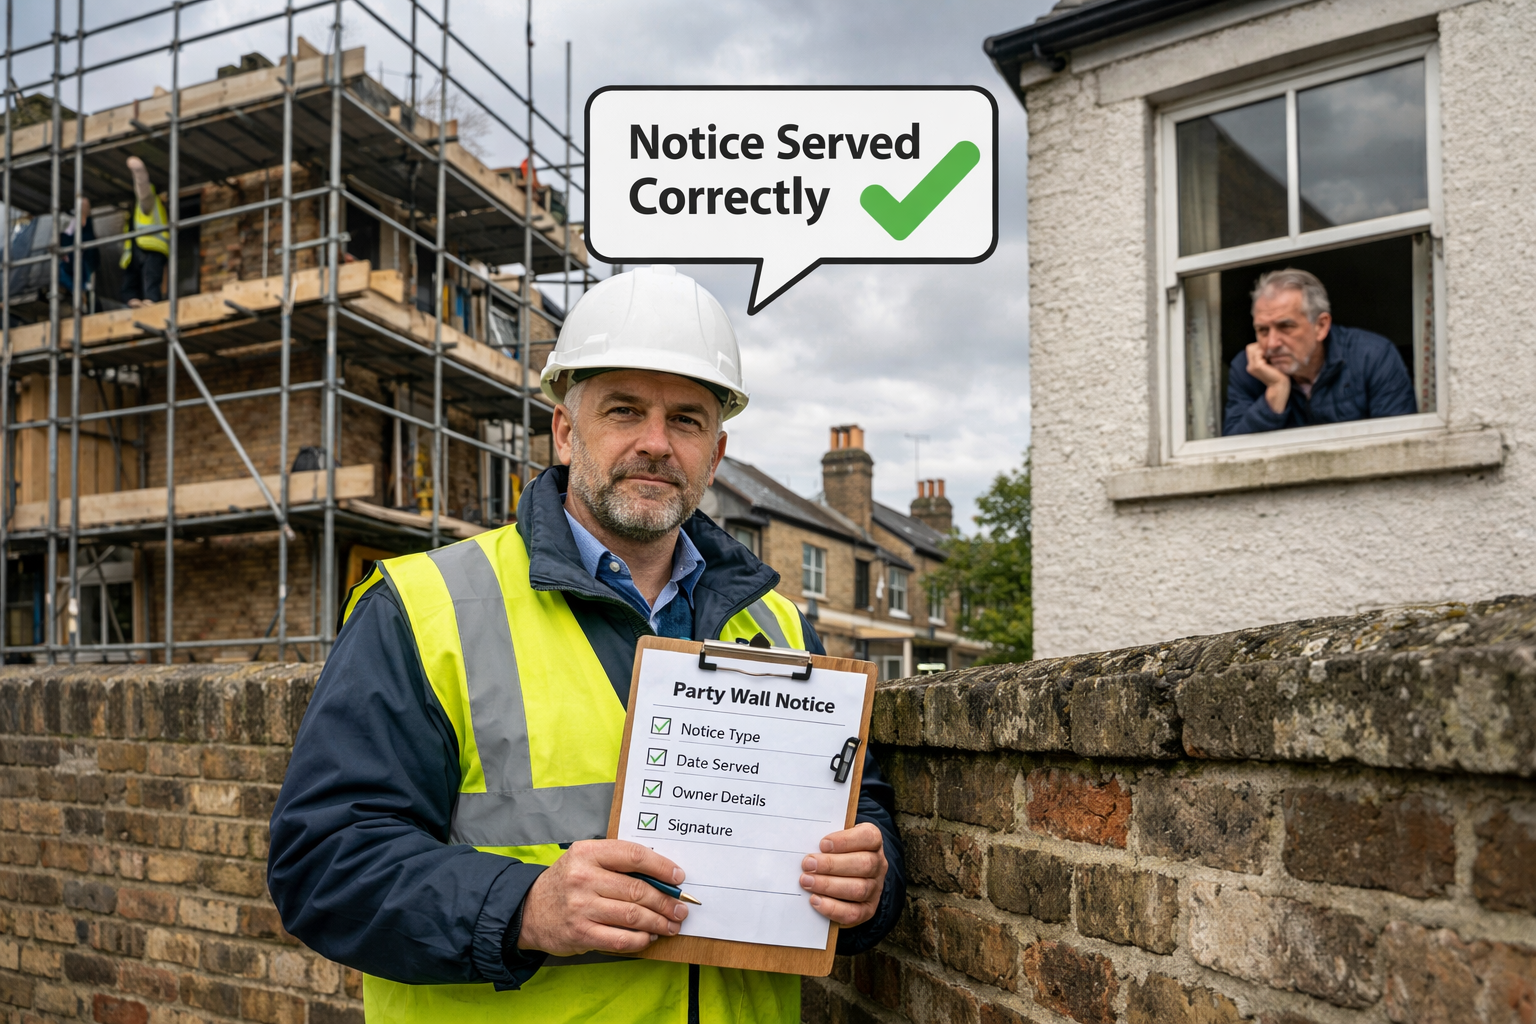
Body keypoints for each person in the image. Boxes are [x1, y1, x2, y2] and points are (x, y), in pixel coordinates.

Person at [267, 265, 906, 1024]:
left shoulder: (779, 626)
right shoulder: (425, 608)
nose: (656, 444)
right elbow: (324, 863)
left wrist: (874, 882)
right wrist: (525, 907)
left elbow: (856, 805)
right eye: (624, 411)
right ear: (566, 433)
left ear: (717, 453)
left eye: (688, 420)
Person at [1223, 268, 1417, 435]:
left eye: (1286, 326)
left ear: (1321, 326)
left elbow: (1401, 445)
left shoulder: (1372, 356)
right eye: (1263, 330)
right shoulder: (1249, 368)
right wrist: (1275, 391)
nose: (1272, 343)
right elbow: (1231, 455)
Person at [119, 155, 169, 306]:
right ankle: (134, 300)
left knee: (151, 278)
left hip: (151, 246)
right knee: (132, 279)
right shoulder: (133, 210)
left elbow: (143, 188)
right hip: (136, 249)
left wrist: (138, 171)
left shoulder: (149, 199)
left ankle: (150, 300)